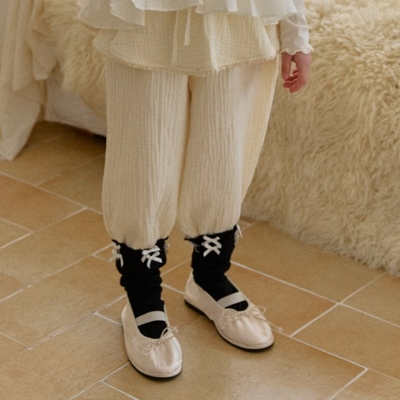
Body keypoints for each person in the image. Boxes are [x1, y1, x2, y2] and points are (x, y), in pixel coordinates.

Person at [78, 0, 312, 379]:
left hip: (240, 17)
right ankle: (141, 295)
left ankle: (209, 277)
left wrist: (296, 32)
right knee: (145, 156)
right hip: (152, 18)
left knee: (225, 151)